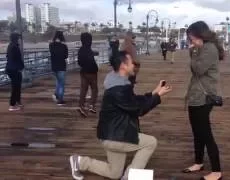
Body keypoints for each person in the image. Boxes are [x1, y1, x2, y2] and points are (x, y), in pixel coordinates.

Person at [69, 51, 172, 180]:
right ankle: (130, 177)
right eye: (131, 63)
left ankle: (79, 162)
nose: (134, 65)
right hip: (115, 136)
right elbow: (138, 109)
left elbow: (132, 101)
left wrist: (153, 93)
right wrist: (157, 96)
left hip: (111, 132)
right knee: (151, 142)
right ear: (123, 65)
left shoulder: (118, 82)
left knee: (114, 173)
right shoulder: (119, 89)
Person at [184, 21, 223, 180]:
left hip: (204, 97)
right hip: (196, 96)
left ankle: (216, 171)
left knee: (205, 133)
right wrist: (194, 50)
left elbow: (198, 69)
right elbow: (195, 67)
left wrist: (193, 51)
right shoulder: (201, 48)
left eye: (191, 36)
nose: (190, 40)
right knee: (197, 132)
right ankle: (198, 162)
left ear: (199, 34)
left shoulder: (209, 49)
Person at [77, 32, 99, 117]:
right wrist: (96, 68)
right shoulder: (89, 50)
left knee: (83, 89)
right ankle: (91, 105)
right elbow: (92, 62)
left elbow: (79, 62)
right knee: (94, 89)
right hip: (92, 72)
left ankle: (81, 105)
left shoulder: (81, 50)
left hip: (83, 72)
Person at [5, 33, 24, 111]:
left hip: (10, 68)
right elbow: (17, 58)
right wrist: (21, 66)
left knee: (17, 86)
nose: (19, 39)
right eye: (18, 38)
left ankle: (17, 101)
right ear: (16, 39)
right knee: (16, 87)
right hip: (14, 69)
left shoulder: (10, 46)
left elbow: (8, 57)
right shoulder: (14, 47)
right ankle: (12, 105)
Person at [49, 31, 69, 105]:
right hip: (61, 66)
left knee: (58, 81)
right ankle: (60, 100)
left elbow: (52, 53)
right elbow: (66, 56)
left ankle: (56, 94)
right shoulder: (64, 46)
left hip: (54, 66)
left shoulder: (51, 45)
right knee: (61, 84)